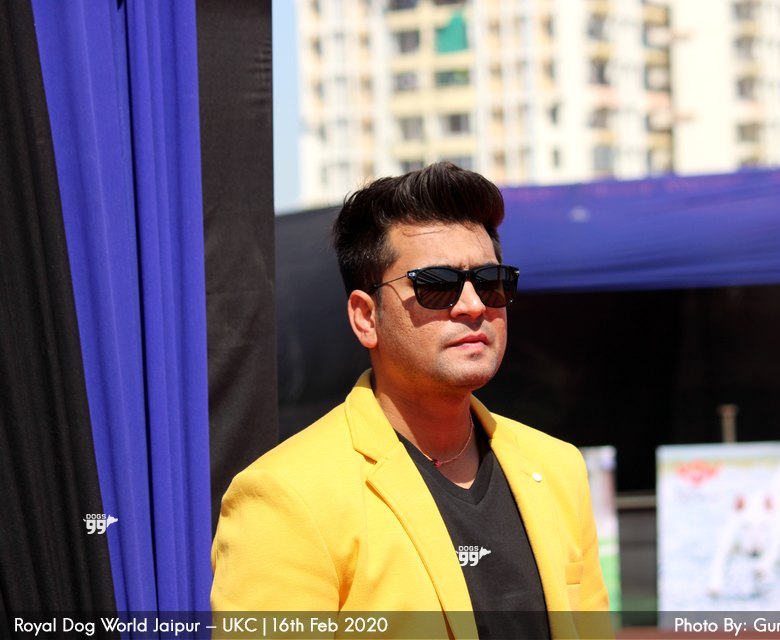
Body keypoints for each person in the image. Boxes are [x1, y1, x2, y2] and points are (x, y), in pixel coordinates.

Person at [211, 162, 610, 638]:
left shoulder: (557, 468)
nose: (473, 305)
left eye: (491, 281)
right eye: (436, 284)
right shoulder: (287, 496)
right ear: (366, 317)